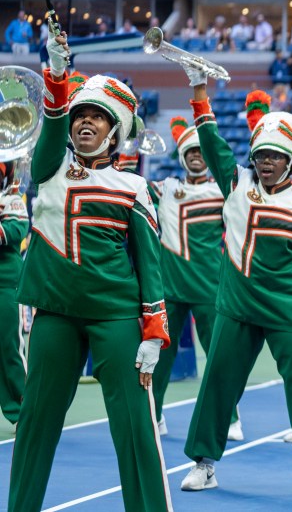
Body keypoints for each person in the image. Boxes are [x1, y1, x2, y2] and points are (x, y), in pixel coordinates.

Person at [9, 29, 173, 512]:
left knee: (136, 428)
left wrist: (154, 328)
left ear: (114, 131)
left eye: (97, 117)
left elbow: (150, 262)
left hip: (116, 317)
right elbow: (49, 132)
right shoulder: (49, 168)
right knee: (35, 423)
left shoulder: (134, 187)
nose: (85, 122)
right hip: (54, 315)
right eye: (80, 114)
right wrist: (58, 78)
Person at [179, 82, 292, 496]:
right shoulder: (235, 184)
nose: (266, 162)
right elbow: (212, 144)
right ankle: (204, 463)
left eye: (276, 156)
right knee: (218, 383)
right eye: (261, 155)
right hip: (237, 306)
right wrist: (200, 96)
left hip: (291, 310)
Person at [148, 116, 243, 442]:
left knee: (218, 358)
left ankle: (229, 417)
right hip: (170, 289)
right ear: (182, 156)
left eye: (201, 151)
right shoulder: (165, 188)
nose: (196, 156)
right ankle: (153, 415)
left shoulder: (222, 192)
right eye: (190, 152)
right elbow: (131, 189)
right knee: (159, 358)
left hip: (209, 289)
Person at [0, 159, 28, 429]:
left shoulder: (13, 198)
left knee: (9, 348)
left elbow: (15, 230)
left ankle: (23, 412)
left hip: (6, 284)